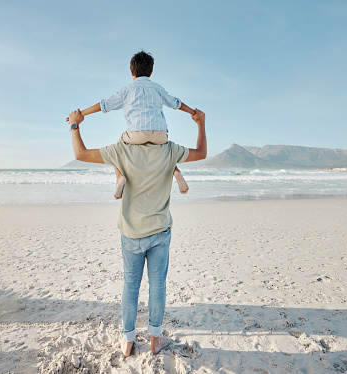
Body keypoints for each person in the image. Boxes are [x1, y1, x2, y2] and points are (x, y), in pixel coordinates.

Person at [65, 108, 207, 357]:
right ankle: (154, 341)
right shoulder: (169, 148)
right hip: (160, 230)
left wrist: (76, 125)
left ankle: (128, 341)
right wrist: (201, 123)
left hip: (131, 231)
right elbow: (201, 153)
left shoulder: (122, 148)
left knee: (131, 286)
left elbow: (81, 154)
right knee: (157, 286)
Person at [73, 50, 196, 199]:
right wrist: (192, 112)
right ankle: (175, 171)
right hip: (160, 134)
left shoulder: (126, 90)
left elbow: (104, 105)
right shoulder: (158, 88)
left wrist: (81, 114)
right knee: (166, 150)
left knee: (118, 146)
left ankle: (119, 177)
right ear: (151, 72)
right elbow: (176, 103)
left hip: (136, 134)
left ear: (131, 71)